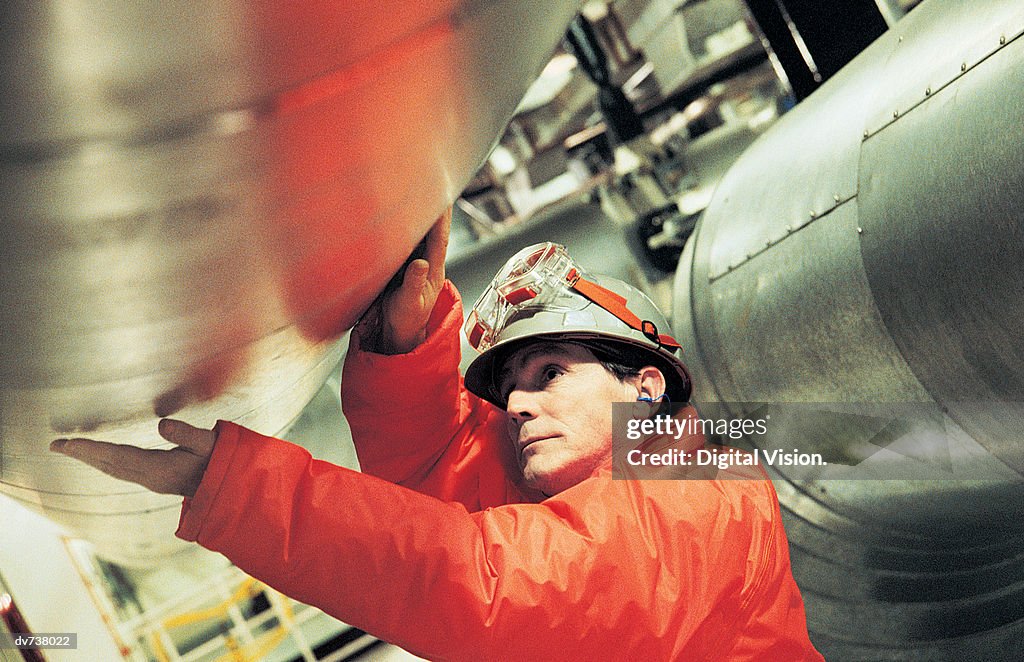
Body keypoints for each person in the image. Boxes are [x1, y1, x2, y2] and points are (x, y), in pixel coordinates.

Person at [52, 209, 823, 660]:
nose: (517, 405)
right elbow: (445, 476)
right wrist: (404, 353)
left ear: (643, 388)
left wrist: (236, 490)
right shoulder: (592, 489)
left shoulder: (697, 495)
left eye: (550, 373)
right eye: (509, 388)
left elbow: (481, 577)